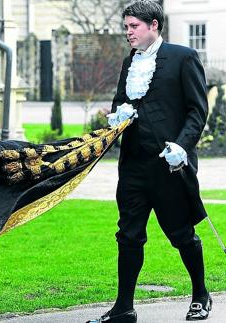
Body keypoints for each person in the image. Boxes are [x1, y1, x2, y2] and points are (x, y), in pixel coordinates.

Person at [87, 1, 210, 322]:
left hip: (171, 164)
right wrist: (118, 114)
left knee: (181, 233)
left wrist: (183, 146)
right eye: (126, 27)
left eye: (133, 27)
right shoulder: (131, 62)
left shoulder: (183, 57)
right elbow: (120, 100)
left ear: (153, 25)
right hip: (132, 165)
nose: (127, 32)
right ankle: (124, 308)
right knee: (128, 235)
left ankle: (201, 295)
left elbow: (198, 111)